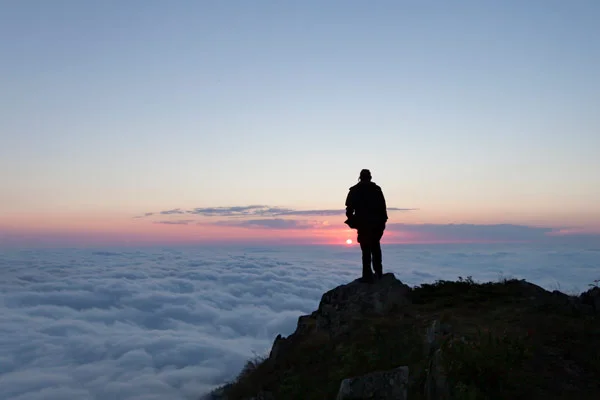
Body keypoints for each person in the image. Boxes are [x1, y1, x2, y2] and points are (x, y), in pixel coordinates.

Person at [345, 169, 388, 283]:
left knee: (366, 250)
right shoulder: (376, 189)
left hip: (363, 225)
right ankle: (378, 273)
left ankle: (367, 275)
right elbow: (383, 209)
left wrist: (352, 220)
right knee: (375, 248)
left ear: (360, 177)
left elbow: (349, 209)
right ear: (370, 177)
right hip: (376, 224)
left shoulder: (354, 190)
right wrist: (382, 223)